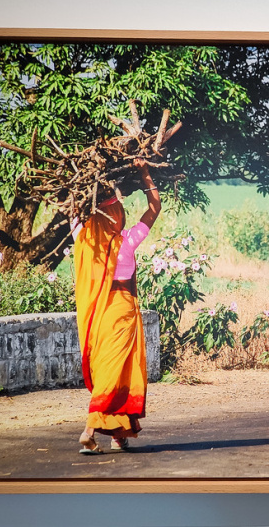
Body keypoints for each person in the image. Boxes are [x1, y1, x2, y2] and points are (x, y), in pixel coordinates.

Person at [73, 159, 161, 454]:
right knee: (115, 370)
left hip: (97, 316)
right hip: (121, 312)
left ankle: (119, 434)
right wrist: (145, 174)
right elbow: (154, 209)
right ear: (117, 216)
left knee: (111, 368)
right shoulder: (126, 241)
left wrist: (82, 189)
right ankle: (89, 428)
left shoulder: (84, 240)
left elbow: (74, 213)